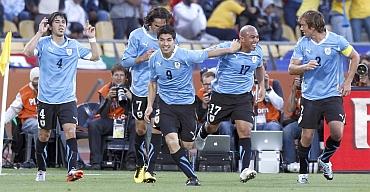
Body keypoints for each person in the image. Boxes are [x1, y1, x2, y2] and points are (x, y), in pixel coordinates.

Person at [144, 25, 240, 186]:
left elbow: (208, 52)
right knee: (172, 141)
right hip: (166, 105)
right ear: (158, 41)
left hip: (187, 106)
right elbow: (152, 83)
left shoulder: (185, 55)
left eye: (169, 40)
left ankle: (198, 137)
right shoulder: (154, 58)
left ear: (174, 41)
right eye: (162, 40)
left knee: (188, 145)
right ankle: (192, 177)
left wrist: (230, 49)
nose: (165, 43)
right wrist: (149, 105)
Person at [23, 11, 100, 182]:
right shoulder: (43, 43)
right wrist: (39, 32)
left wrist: (91, 38)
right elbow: (27, 52)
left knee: (70, 131)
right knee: (44, 134)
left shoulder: (73, 45)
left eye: (63, 21)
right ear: (50, 26)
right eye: (57, 22)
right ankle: (41, 170)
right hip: (46, 99)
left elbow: (95, 56)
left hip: (67, 99)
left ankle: (72, 169)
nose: (61, 24)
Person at [288, 10, 360, 184]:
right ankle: (303, 174)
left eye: (303, 25)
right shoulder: (302, 44)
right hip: (310, 96)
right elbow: (291, 68)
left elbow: (355, 56)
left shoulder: (336, 40)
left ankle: (324, 159)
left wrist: (348, 82)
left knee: (337, 132)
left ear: (313, 26)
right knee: (306, 136)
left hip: (332, 94)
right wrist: (305, 66)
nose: (301, 28)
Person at [195, 25, 265, 183]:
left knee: (245, 130)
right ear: (242, 38)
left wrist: (261, 86)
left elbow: (259, 67)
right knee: (212, 126)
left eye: (257, 37)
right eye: (252, 37)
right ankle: (203, 132)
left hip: (243, 97)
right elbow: (205, 54)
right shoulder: (227, 46)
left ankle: (245, 169)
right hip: (222, 96)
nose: (256, 40)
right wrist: (229, 50)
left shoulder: (258, 51)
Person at [121, 7, 172, 183]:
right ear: (149, 23)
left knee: (157, 128)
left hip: (161, 90)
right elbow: (125, 61)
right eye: (156, 26)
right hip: (140, 90)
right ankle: (140, 166)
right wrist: (141, 58)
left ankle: (150, 170)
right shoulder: (137, 35)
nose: (160, 29)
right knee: (141, 128)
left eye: (163, 25)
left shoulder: (169, 37)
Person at [87, 64, 131, 170]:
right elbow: (102, 114)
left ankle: (131, 161)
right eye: (116, 75)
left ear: (126, 77)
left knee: (136, 125)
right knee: (94, 125)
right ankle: (95, 162)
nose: (119, 77)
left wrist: (131, 98)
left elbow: (135, 111)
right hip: (110, 121)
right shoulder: (105, 89)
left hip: (126, 121)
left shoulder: (132, 88)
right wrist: (108, 99)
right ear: (112, 76)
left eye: (121, 75)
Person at [3, 67, 39, 167]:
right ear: (32, 79)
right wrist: (3, 121)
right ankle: (40, 158)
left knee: (63, 126)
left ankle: (70, 160)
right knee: (39, 126)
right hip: (29, 121)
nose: (38, 82)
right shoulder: (24, 92)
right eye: (36, 79)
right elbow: (13, 109)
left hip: (45, 119)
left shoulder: (49, 90)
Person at [282, 77, 320, 169]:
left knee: (312, 130)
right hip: (298, 121)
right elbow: (290, 109)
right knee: (287, 131)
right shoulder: (297, 93)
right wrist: (294, 90)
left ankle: (313, 161)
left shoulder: (315, 89)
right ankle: (290, 162)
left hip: (312, 121)